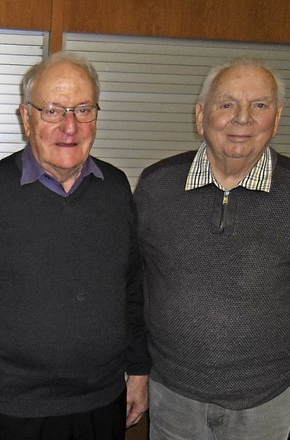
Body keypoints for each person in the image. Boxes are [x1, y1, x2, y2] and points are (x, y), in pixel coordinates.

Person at [0, 51, 150, 439]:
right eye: (53, 111)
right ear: (26, 116)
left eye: (83, 110)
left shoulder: (116, 189)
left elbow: (132, 286)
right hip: (11, 408)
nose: (70, 126)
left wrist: (140, 370)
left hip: (100, 401)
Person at [135, 57, 290, 439]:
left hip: (267, 403)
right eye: (227, 104)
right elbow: (132, 286)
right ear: (201, 115)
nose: (242, 118)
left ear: (278, 116)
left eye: (259, 105)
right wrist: (136, 371)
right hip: (172, 397)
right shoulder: (156, 186)